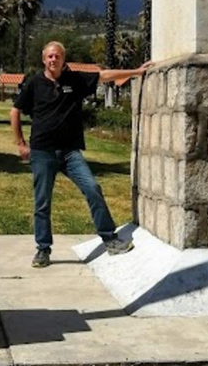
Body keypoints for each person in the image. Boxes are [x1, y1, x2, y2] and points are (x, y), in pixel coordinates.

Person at [10, 41, 152, 268]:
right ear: (43, 59)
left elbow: (104, 76)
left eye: (57, 56)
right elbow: (15, 110)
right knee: (42, 202)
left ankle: (109, 238)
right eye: (49, 57)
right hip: (42, 152)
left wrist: (137, 72)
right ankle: (43, 250)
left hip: (69, 153)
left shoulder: (75, 80)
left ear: (63, 59)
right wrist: (20, 143)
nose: (53, 60)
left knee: (92, 188)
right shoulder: (34, 84)